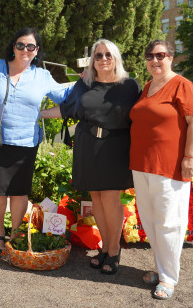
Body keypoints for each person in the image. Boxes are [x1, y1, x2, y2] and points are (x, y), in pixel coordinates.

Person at [41, 39, 141, 274]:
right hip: (87, 145)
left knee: (110, 198)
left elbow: (141, 116)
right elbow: (66, 109)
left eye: (108, 54)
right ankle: (104, 248)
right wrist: (37, 114)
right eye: (98, 55)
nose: (104, 59)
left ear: (116, 58)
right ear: (92, 60)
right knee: (96, 197)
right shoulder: (83, 85)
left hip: (115, 146)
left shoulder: (129, 86)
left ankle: (114, 251)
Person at [0, 27, 70, 256]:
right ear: (13, 46)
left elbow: (67, 97)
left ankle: (16, 234)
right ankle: (0, 234)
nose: (25, 50)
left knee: (19, 192)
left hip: (27, 142)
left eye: (30, 46)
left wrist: (93, 84)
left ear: (36, 51)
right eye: (20, 45)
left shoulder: (42, 76)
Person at [129, 40, 193, 300]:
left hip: (169, 166)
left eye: (160, 55)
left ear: (171, 57)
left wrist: (190, 156)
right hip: (142, 164)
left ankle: (169, 279)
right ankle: (161, 270)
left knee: (169, 222)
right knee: (150, 221)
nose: (154, 60)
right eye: (150, 55)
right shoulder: (148, 86)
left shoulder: (183, 85)